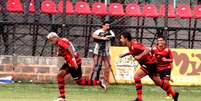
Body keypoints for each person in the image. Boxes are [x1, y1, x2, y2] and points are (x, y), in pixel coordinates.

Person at [118, 31, 179, 101]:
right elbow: (132, 51)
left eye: (121, 38)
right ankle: (174, 94)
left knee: (136, 76)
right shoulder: (131, 46)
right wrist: (124, 55)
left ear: (126, 39)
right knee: (158, 82)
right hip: (151, 64)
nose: (120, 40)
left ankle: (139, 98)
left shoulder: (134, 45)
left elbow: (147, 49)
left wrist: (139, 56)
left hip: (149, 63)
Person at [46, 32, 107, 101]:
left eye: (51, 40)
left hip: (74, 63)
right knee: (60, 75)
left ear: (55, 37)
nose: (51, 42)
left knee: (79, 82)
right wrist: (60, 53)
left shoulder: (60, 42)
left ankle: (99, 82)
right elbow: (67, 48)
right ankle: (62, 97)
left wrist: (73, 59)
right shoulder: (63, 40)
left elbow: (69, 48)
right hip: (69, 62)